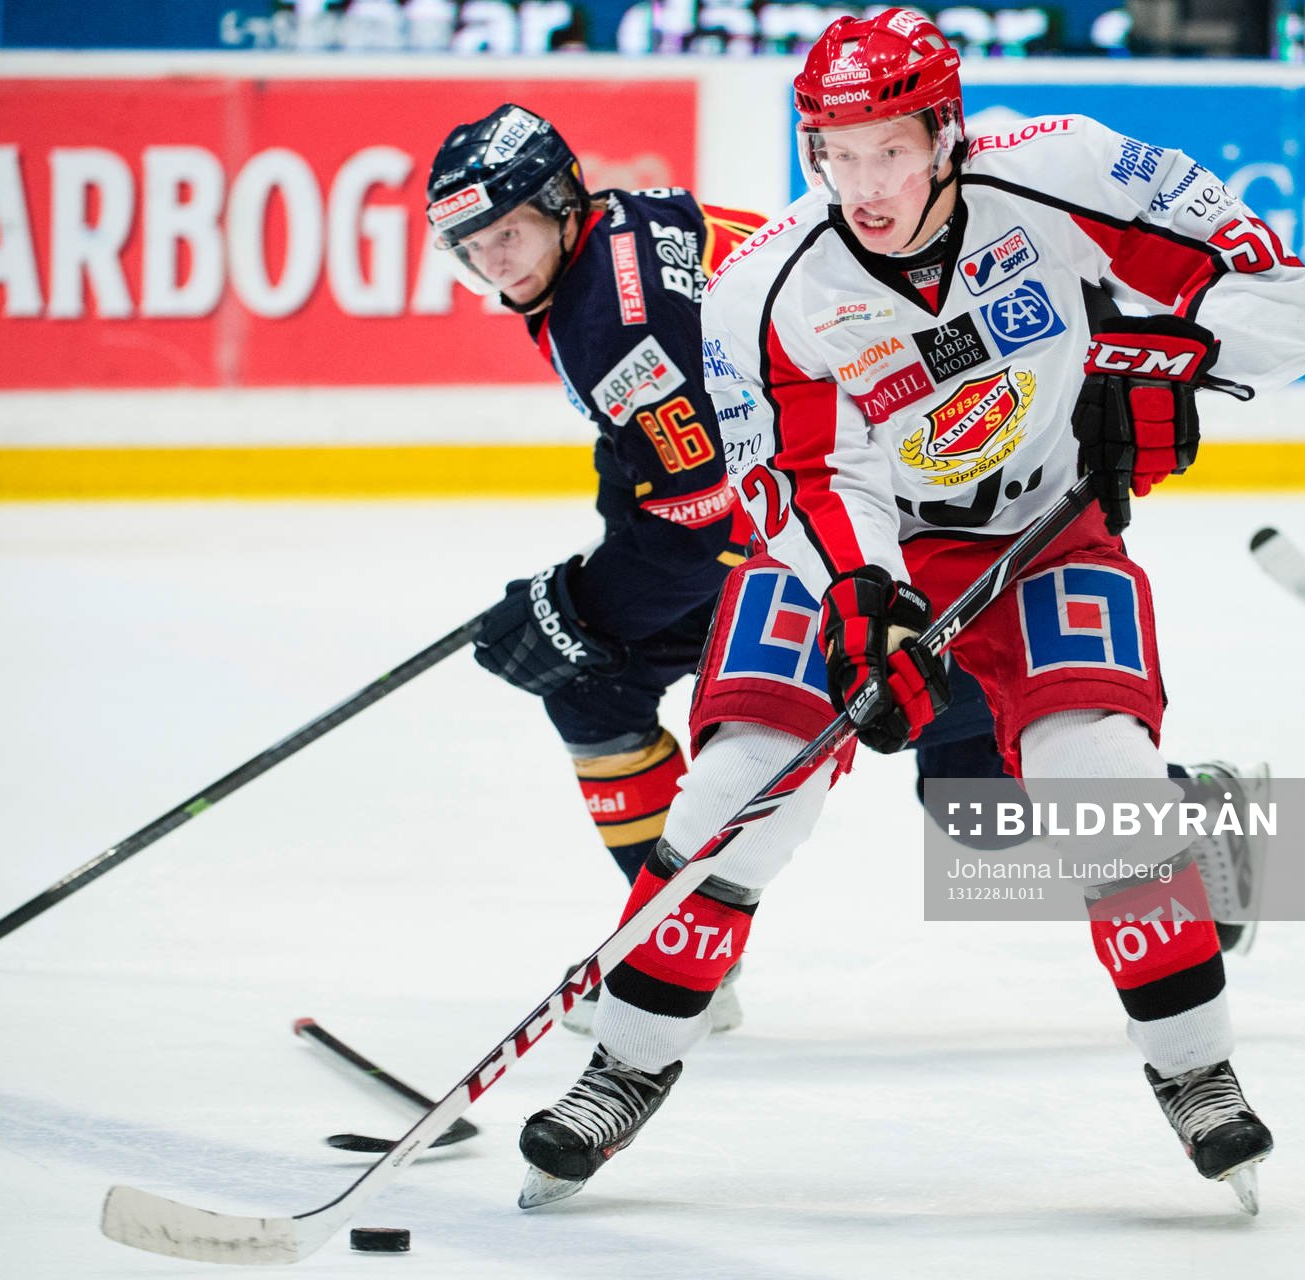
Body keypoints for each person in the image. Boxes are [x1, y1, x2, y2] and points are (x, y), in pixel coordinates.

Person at [516, 9, 1305, 1214]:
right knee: (735, 792)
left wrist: (1139, 360)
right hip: (844, 555)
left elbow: (1280, 309)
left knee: (1096, 780)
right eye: (834, 154)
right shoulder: (768, 285)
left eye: (888, 150)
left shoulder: (1065, 170)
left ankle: (1196, 1068)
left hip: (1041, 534)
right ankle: (622, 1066)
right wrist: (866, 598)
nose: (864, 185)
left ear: (945, 133)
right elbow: (795, 473)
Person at [425, 103, 1052, 1035]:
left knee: (976, 803)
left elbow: (703, 526)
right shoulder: (623, 229)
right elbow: (655, 460)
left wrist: (581, 607)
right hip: (825, 503)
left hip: (876, 531)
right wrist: (592, 594)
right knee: (597, 688)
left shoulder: (614, 324)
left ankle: (1202, 830)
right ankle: (679, 956)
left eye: (507, 234)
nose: (496, 264)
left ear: (560, 204)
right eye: (473, 249)